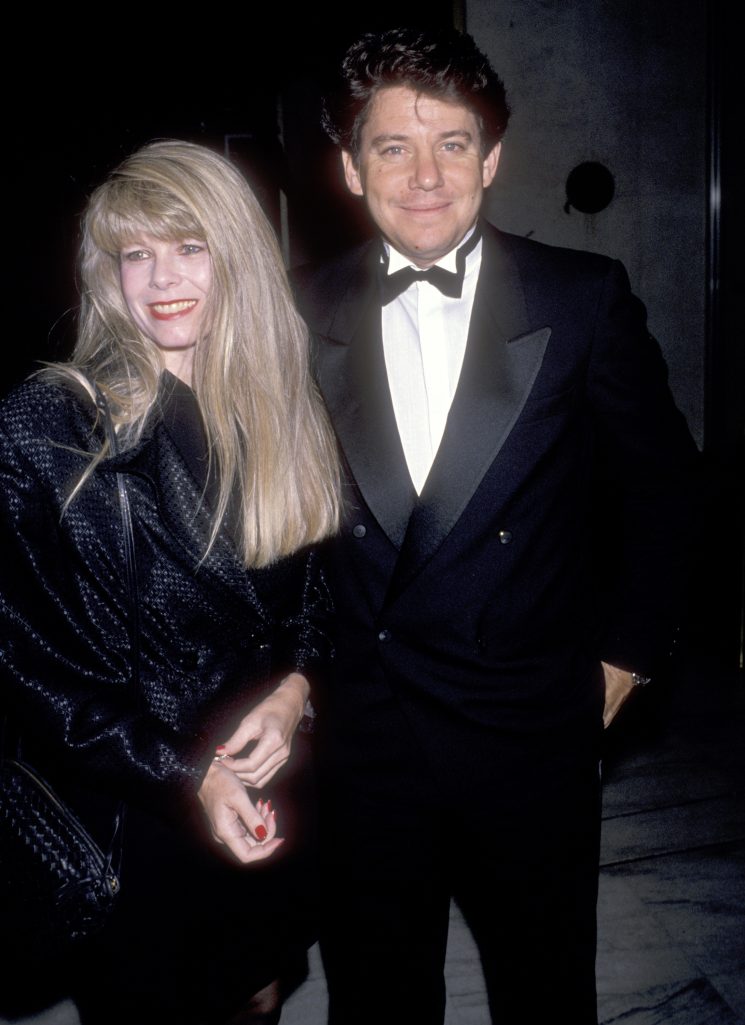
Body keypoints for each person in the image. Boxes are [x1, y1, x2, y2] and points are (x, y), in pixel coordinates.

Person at [287, 26, 702, 1025]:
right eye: (391, 146)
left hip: (528, 728)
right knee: (377, 995)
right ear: (350, 166)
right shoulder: (297, 311)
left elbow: (666, 489)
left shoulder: (580, 297)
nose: (425, 175)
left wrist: (625, 656)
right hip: (367, 737)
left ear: (494, 156)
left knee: (542, 986)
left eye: (454, 143)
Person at [0, 140, 340, 1025]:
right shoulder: (54, 421)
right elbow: (26, 661)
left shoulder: (279, 403)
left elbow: (311, 585)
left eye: (189, 245)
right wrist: (188, 770)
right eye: (135, 253)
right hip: (136, 804)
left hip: (267, 779)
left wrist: (297, 688)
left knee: (260, 988)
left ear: (237, 255)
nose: (160, 278)